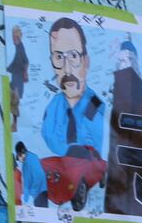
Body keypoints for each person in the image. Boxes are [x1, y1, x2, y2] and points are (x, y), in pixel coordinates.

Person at [41, 16, 106, 156]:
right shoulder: (53, 107)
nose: (67, 69)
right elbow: (49, 140)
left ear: (86, 61)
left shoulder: (95, 105)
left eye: (74, 56)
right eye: (58, 57)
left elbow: (95, 144)